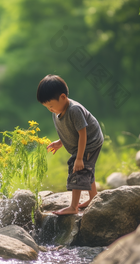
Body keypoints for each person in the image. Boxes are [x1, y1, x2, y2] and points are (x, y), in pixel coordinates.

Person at [37, 75, 104, 215]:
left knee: (78, 170)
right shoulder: (57, 111)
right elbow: (70, 130)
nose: (50, 109)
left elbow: (82, 134)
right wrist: (60, 142)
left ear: (62, 97)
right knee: (87, 169)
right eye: (47, 107)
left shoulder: (74, 110)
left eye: (51, 106)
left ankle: (73, 207)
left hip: (90, 143)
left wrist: (79, 158)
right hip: (81, 143)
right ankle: (93, 198)